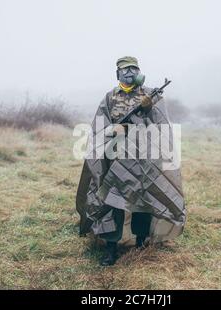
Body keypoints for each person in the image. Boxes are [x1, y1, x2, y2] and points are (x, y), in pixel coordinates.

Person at [76, 56, 186, 266]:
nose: (130, 73)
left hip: (143, 159)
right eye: (125, 70)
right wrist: (111, 130)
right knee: (111, 202)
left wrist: (147, 109)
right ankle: (110, 248)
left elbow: (160, 126)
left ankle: (141, 243)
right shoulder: (110, 97)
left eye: (134, 69)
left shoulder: (150, 95)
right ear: (117, 73)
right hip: (115, 159)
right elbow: (99, 126)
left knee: (142, 202)